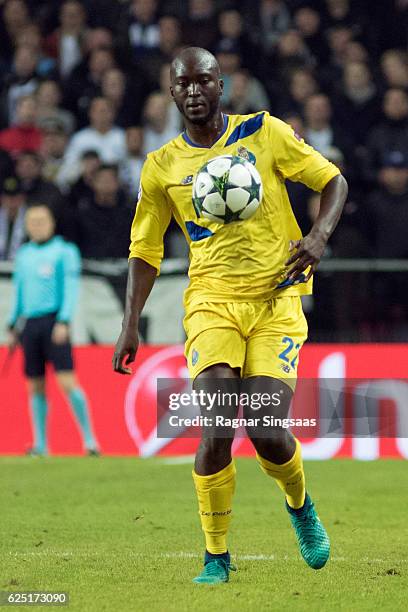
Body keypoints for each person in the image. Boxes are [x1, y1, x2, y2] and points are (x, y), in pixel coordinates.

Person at [112, 47, 347, 584]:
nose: (194, 92)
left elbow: (333, 180)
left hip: (276, 302)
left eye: (204, 81)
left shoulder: (265, 133)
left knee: (265, 427)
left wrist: (317, 238)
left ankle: (300, 504)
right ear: (172, 94)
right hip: (212, 303)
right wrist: (131, 323)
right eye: (183, 84)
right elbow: (144, 250)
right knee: (217, 425)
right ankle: (216, 556)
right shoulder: (162, 167)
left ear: (222, 86)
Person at [6, 204, 99, 456]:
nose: (37, 225)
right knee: (34, 385)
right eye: (32, 221)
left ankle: (90, 441)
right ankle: (41, 444)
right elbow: (20, 292)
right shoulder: (23, 254)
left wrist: (64, 321)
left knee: (67, 381)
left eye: (41, 220)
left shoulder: (65, 251)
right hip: (30, 325)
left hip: (54, 321)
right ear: (26, 226)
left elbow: (70, 288)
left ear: (52, 223)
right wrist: (13, 324)